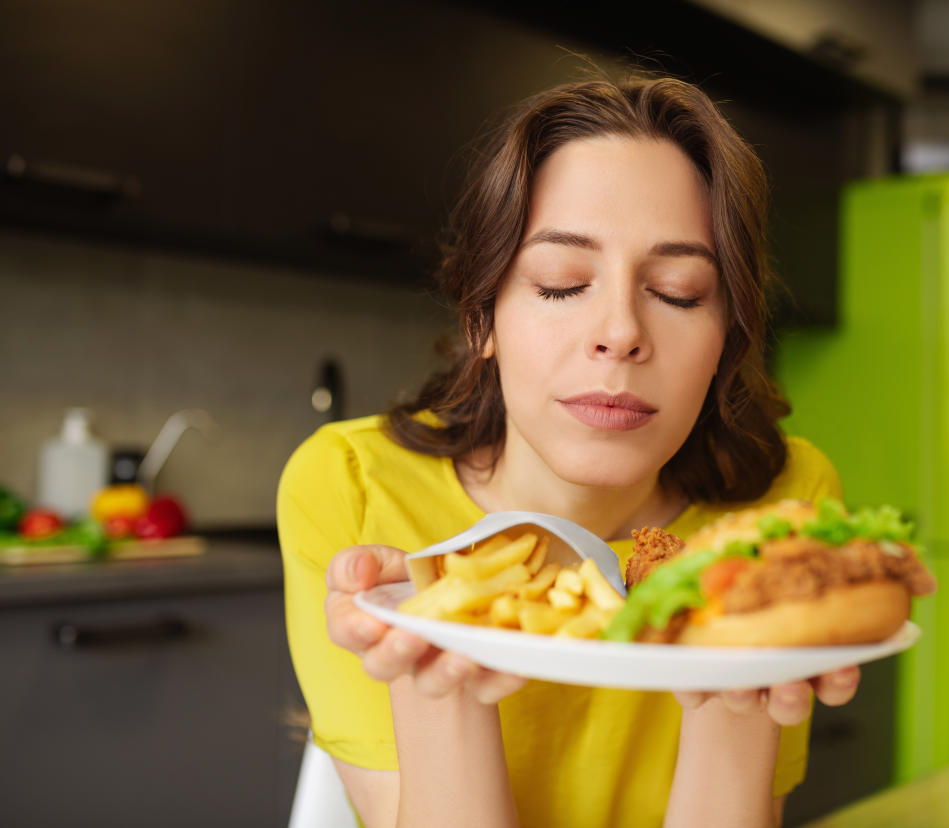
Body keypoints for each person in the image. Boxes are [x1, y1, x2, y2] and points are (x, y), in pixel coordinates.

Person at [278, 73, 860, 828]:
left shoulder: (784, 514)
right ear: (481, 318)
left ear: (727, 341)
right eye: (559, 284)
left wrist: (737, 686)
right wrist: (439, 666)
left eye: (680, 292)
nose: (620, 332)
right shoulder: (354, 488)